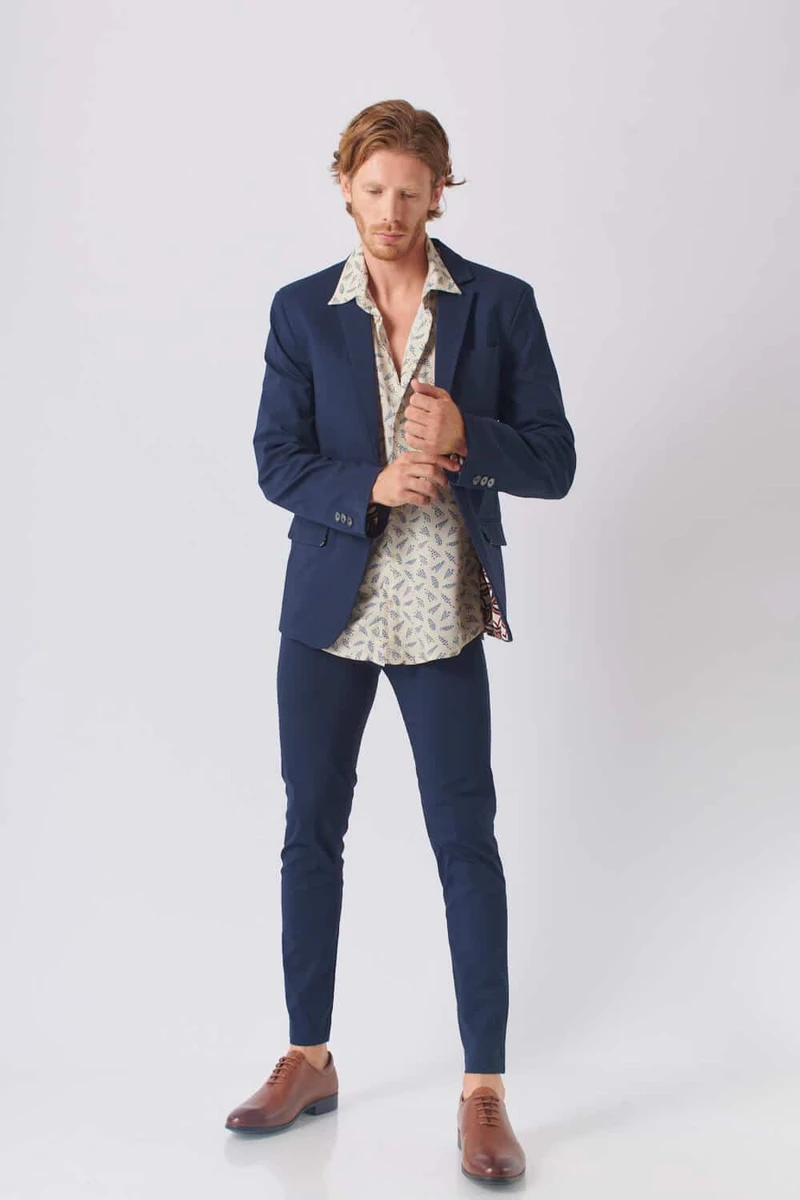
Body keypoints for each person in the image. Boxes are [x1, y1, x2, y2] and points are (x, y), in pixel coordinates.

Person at [225, 98, 576, 1184]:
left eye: (408, 193)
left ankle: (483, 1090)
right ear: (345, 186)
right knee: (310, 831)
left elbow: (555, 461)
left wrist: (467, 437)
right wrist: (368, 486)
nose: (388, 211)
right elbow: (275, 459)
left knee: (465, 843)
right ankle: (307, 1058)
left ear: (437, 194)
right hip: (327, 615)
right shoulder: (300, 311)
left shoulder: (499, 306)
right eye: (372, 190)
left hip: (440, 611)